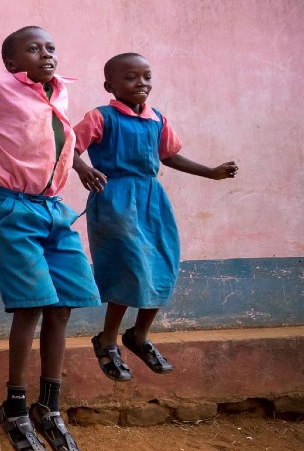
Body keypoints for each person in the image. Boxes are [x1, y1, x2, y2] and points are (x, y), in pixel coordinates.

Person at [0, 26, 100, 451]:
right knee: (30, 306)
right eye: (33, 49)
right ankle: (13, 406)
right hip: (12, 209)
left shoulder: (58, 91)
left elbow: (55, 136)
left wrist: (79, 166)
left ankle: (48, 406)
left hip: (54, 209)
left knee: (63, 305)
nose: (46, 53)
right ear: (12, 63)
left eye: (50, 47)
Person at [72, 52, 238, 381]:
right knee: (130, 266)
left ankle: (139, 335)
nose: (141, 83)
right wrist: (83, 169)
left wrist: (212, 173)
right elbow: (67, 147)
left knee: (163, 264)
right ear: (110, 85)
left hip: (152, 199)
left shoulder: (156, 119)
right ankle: (107, 340)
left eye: (146, 77)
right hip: (115, 199)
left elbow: (170, 156)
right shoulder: (101, 117)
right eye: (131, 77)